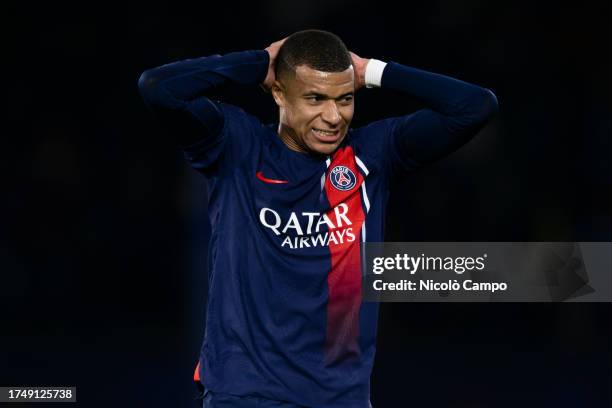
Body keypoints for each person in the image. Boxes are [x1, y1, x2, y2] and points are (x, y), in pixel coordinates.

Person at [138, 29, 498, 408]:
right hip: (245, 395)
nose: (332, 116)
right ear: (279, 93)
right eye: (315, 98)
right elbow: (158, 87)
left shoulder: (373, 156)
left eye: (344, 99)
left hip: (342, 400)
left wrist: (372, 70)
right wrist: (259, 62)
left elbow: (476, 106)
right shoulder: (236, 147)